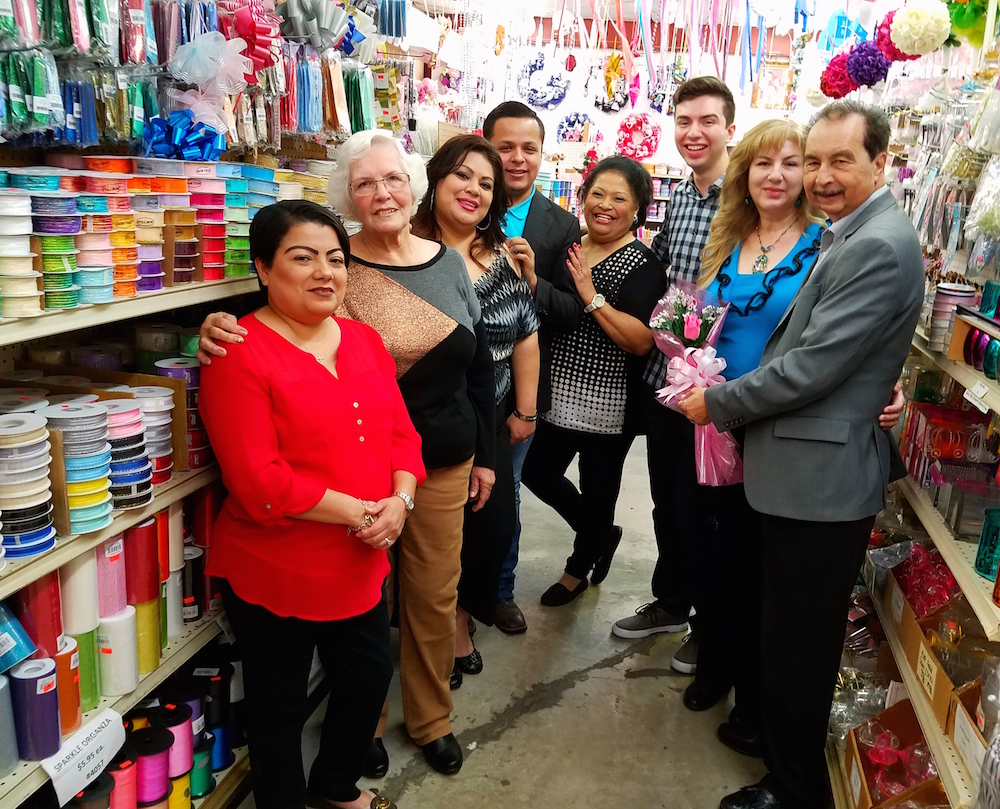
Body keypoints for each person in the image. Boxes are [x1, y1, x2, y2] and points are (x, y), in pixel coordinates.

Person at [197, 132, 497, 778]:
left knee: (429, 598)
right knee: (348, 640)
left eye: (392, 179)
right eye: (365, 183)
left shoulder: (443, 265)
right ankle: (359, 738)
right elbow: (275, 325)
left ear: (413, 183)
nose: (382, 193)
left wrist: (478, 456)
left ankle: (427, 719)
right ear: (347, 196)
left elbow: (477, 363)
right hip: (334, 497)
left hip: (425, 465)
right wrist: (214, 325)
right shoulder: (330, 270)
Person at [679, 101, 924, 809]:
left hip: (818, 480)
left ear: (879, 163)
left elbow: (813, 364)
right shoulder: (854, 233)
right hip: (801, 470)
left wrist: (717, 403)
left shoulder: (876, 243)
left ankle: (791, 790)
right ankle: (783, 769)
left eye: (838, 160)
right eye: (812, 159)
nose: (820, 175)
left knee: (798, 646)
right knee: (786, 634)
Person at [198, 201, 425, 809]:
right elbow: (257, 480)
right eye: (302, 258)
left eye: (334, 258)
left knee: (366, 679)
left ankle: (334, 788)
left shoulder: (364, 340)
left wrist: (400, 500)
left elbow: (403, 435)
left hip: (361, 561)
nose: (325, 272)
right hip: (279, 565)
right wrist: (358, 513)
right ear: (264, 269)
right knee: (280, 704)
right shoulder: (238, 354)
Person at [611, 77, 736, 679]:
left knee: (707, 511)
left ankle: (712, 623)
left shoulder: (747, 196)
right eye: (684, 120)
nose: (694, 132)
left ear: (729, 129)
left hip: (713, 385)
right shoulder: (683, 197)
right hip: (666, 375)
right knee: (666, 499)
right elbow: (675, 282)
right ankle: (671, 599)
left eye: (707, 121)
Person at [410, 134, 540, 684]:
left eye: (486, 184)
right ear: (435, 179)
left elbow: (527, 337)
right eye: (463, 176)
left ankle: (461, 623)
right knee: (424, 539)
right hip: (419, 416)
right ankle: (420, 634)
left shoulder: (504, 260)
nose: (474, 190)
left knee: (487, 529)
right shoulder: (401, 250)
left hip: (493, 413)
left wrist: (526, 414)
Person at [521, 155, 665, 606]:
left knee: (600, 485)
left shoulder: (643, 263)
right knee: (537, 472)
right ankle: (602, 532)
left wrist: (589, 294)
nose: (605, 205)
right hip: (556, 388)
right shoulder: (570, 246)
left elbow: (641, 341)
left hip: (610, 399)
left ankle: (577, 569)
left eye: (620, 198)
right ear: (582, 199)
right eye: (597, 194)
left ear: (638, 209)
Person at [483, 101, 583, 635]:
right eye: (505, 148)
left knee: (506, 489)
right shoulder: (460, 201)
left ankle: (498, 591)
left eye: (529, 149)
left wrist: (532, 282)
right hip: (458, 383)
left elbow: (572, 311)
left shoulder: (561, 225)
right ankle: (448, 597)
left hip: (520, 385)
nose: (516, 160)